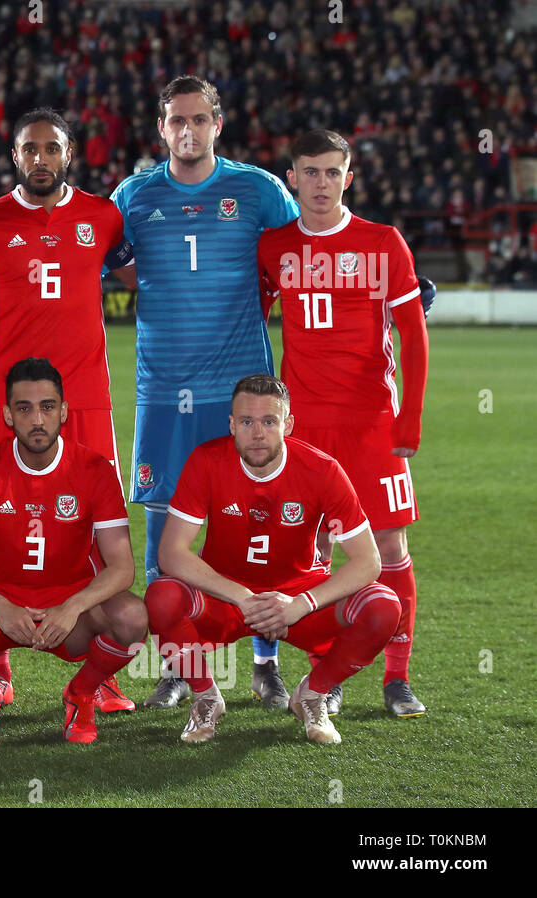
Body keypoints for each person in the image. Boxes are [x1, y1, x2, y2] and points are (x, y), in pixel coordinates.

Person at [108, 76, 302, 711]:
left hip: (240, 394)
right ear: (160, 129)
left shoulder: (259, 190)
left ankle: (266, 661)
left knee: (255, 527)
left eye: (198, 119)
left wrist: (381, 299)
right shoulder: (133, 196)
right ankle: (179, 663)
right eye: (175, 121)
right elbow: (94, 260)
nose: (187, 131)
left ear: (218, 123)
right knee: (164, 528)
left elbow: (304, 258)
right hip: (164, 393)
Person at [0, 106, 135, 713]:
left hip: (85, 397)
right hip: (8, 401)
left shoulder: (101, 217)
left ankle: (102, 675)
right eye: (30, 150)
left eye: (52, 148)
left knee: (102, 523)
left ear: (68, 154)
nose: (41, 159)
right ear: (14, 156)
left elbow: (142, 279)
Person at [258, 129, 429, 718]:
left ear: (349, 177)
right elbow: (252, 324)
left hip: (371, 425)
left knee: (387, 545)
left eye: (333, 172)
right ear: (293, 179)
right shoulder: (274, 247)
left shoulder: (382, 243)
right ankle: (323, 677)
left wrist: (411, 415)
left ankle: (397, 677)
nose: (322, 183)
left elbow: (413, 334)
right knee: (309, 551)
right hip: (300, 428)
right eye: (310, 172)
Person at [145, 375, 401, 744]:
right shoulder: (207, 461)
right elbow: (171, 553)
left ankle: (312, 693)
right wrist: (243, 597)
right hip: (227, 600)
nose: (258, 433)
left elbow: (368, 562)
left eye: (269, 421)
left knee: (383, 608)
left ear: (288, 424)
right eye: (247, 422)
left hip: (299, 601)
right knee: (162, 597)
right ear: (232, 424)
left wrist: (301, 604)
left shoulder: (322, 470)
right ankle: (205, 696)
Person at [0, 358, 147, 743]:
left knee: (133, 617)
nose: (37, 419)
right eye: (24, 408)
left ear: (63, 410)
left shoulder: (94, 470)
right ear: (8, 415)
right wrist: (2, 606)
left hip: (68, 611)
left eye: (47, 406)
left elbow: (122, 567)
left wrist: (74, 606)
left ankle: (81, 693)